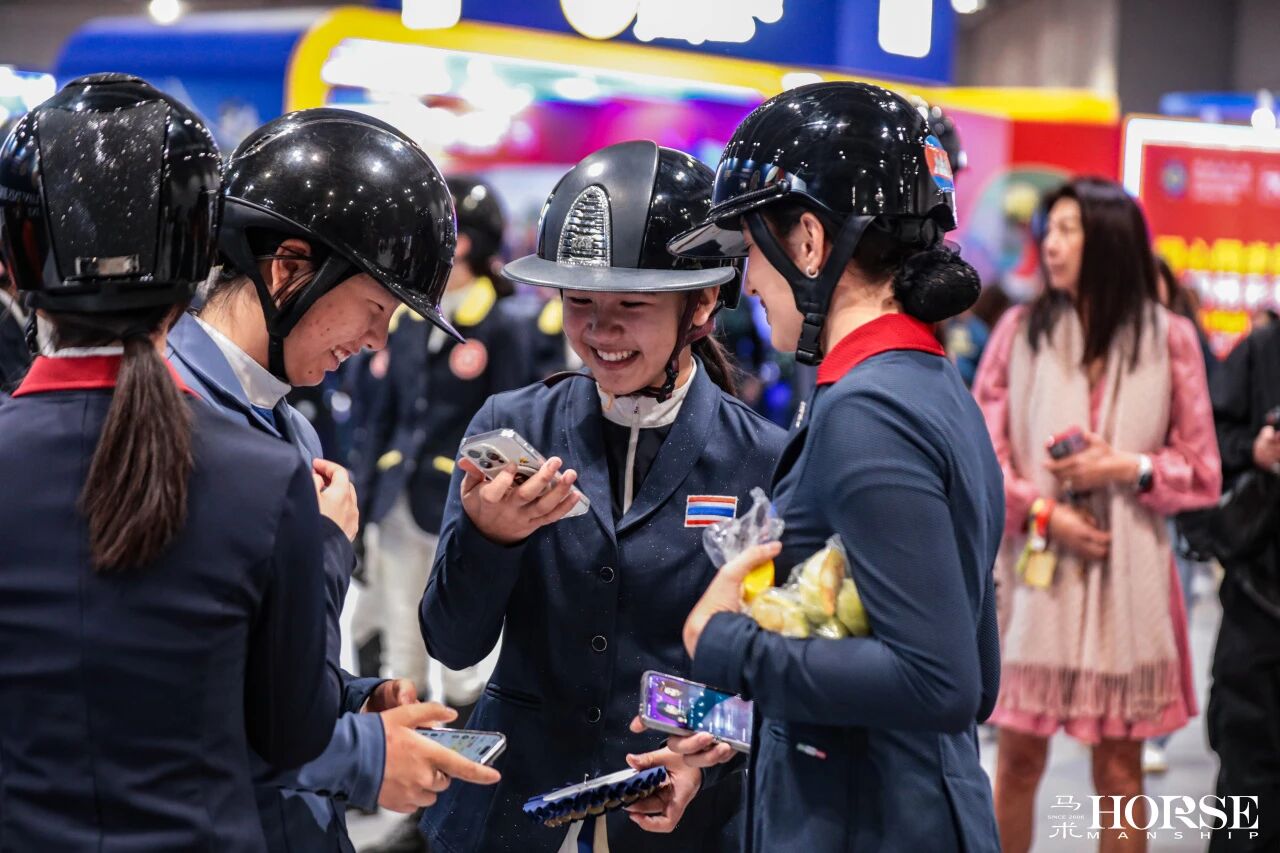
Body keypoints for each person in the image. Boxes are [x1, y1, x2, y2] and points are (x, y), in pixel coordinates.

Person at [0, 73, 339, 851]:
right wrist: (327, 547)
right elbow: (292, 733)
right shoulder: (267, 476)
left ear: (15, 265)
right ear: (196, 256)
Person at [419, 140, 786, 852]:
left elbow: (772, 673)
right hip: (513, 809)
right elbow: (453, 644)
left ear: (703, 302)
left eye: (631, 305)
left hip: (680, 822)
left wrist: (711, 751)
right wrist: (489, 540)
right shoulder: (510, 425)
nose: (598, 330)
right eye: (579, 301)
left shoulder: (762, 457)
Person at [666, 80, 1002, 853]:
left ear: (810, 243)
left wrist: (722, 641)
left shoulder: (869, 409)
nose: (749, 283)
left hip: (871, 821)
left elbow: (941, 681)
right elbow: (974, 672)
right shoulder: (922, 384)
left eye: (753, 252)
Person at [167, 108, 500, 853]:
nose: (378, 339)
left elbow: (265, 669)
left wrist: (352, 701)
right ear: (288, 268)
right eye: (376, 307)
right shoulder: (162, 423)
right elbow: (176, 701)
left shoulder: (289, 428)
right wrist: (363, 755)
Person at [971, 178, 1221, 853]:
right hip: (1037, 580)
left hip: (1128, 586)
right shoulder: (1019, 331)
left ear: (1108, 240)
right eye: (1048, 229)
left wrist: (1126, 468)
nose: (1050, 244)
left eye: (1068, 229)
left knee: (1119, 771)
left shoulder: (1169, 339)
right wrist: (1043, 512)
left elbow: (1202, 470)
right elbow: (984, 454)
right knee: (1018, 761)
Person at [356, 175, 526, 706]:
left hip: (466, 507)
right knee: (400, 647)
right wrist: (364, 499)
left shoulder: (501, 324)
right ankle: (394, 750)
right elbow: (380, 418)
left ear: (464, 244)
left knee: (463, 666)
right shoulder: (407, 319)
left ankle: (462, 755)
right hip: (398, 500)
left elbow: (513, 424)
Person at [1206, 317, 1280, 853]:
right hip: (1260, 599)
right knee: (1248, 774)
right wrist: (1254, 450)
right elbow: (1207, 444)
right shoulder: (1260, 352)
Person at [1144, 255, 1217, 775]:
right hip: (1121, 506)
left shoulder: (1184, 342)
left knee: (1173, 618)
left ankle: (1157, 731)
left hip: (1171, 506)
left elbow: (1202, 452)